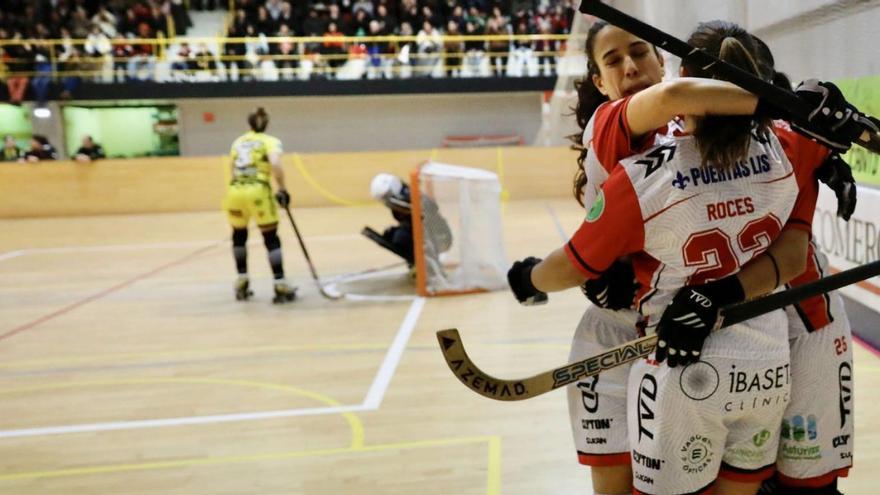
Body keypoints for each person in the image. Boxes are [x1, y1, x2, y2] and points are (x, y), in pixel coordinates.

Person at [507, 20, 869, 495]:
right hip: (660, 329)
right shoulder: (625, 124)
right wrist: (800, 118)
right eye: (613, 61)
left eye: (639, 53)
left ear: (665, 64)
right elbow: (672, 102)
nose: (630, 67)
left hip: (772, 317)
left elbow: (795, 241)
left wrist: (821, 139)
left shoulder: (764, 138)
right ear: (598, 80)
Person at [223, 107, 296, 303]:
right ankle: (280, 282)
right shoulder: (270, 141)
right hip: (258, 189)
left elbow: (231, 168)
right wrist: (282, 189)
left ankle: (241, 279)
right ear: (267, 124)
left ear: (249, 124)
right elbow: (275, 164)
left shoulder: (238, 142)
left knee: (239, 235)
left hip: (235, 190)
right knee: (270, 237)